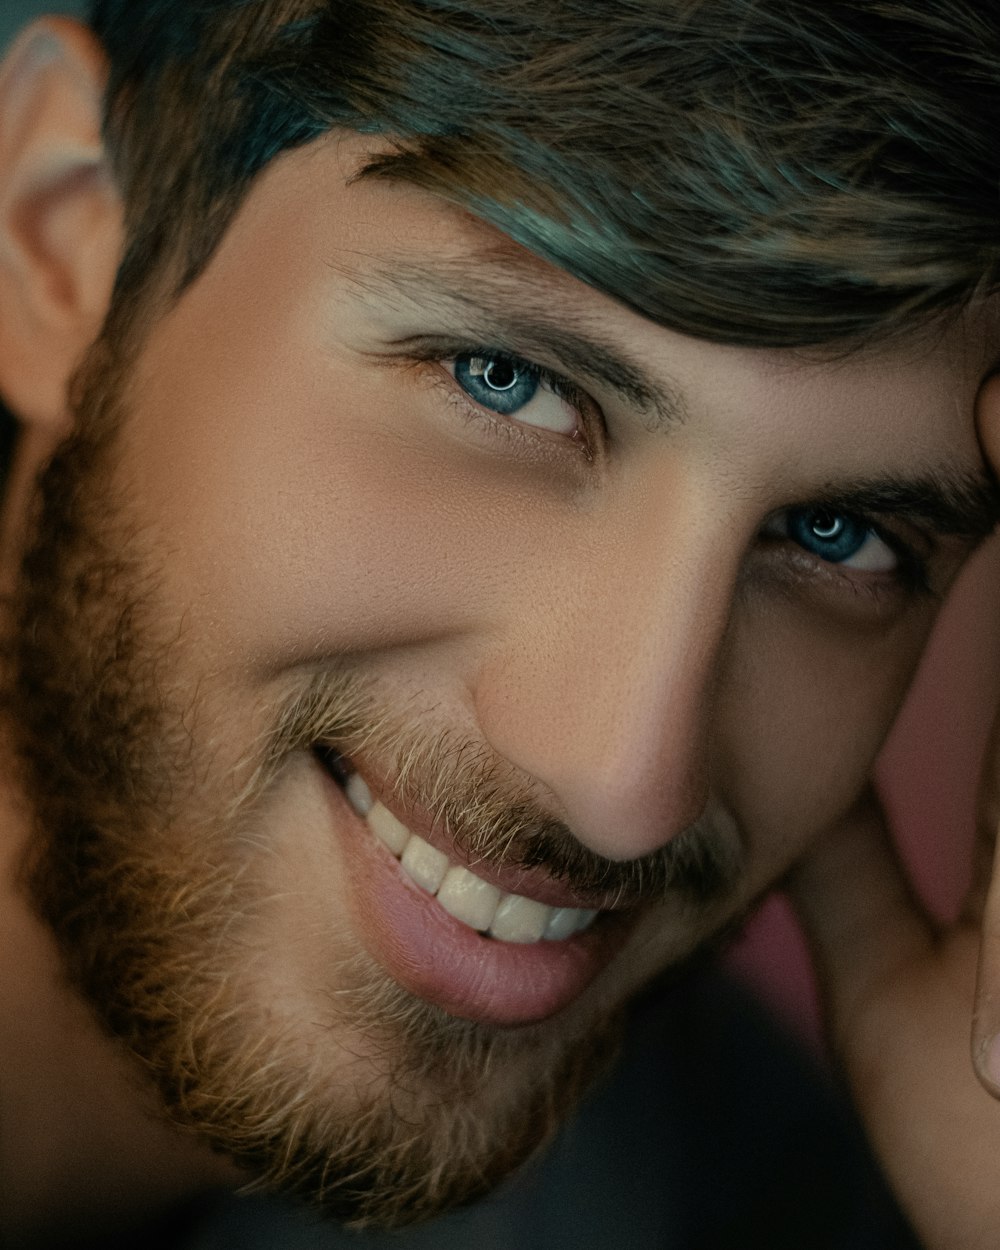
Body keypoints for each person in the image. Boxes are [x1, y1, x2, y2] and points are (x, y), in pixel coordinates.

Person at [1, 0, 999, 1245]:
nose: (624, 783)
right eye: (506, 381)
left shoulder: (741, 1183)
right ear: (62, 242)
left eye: (840, 534)